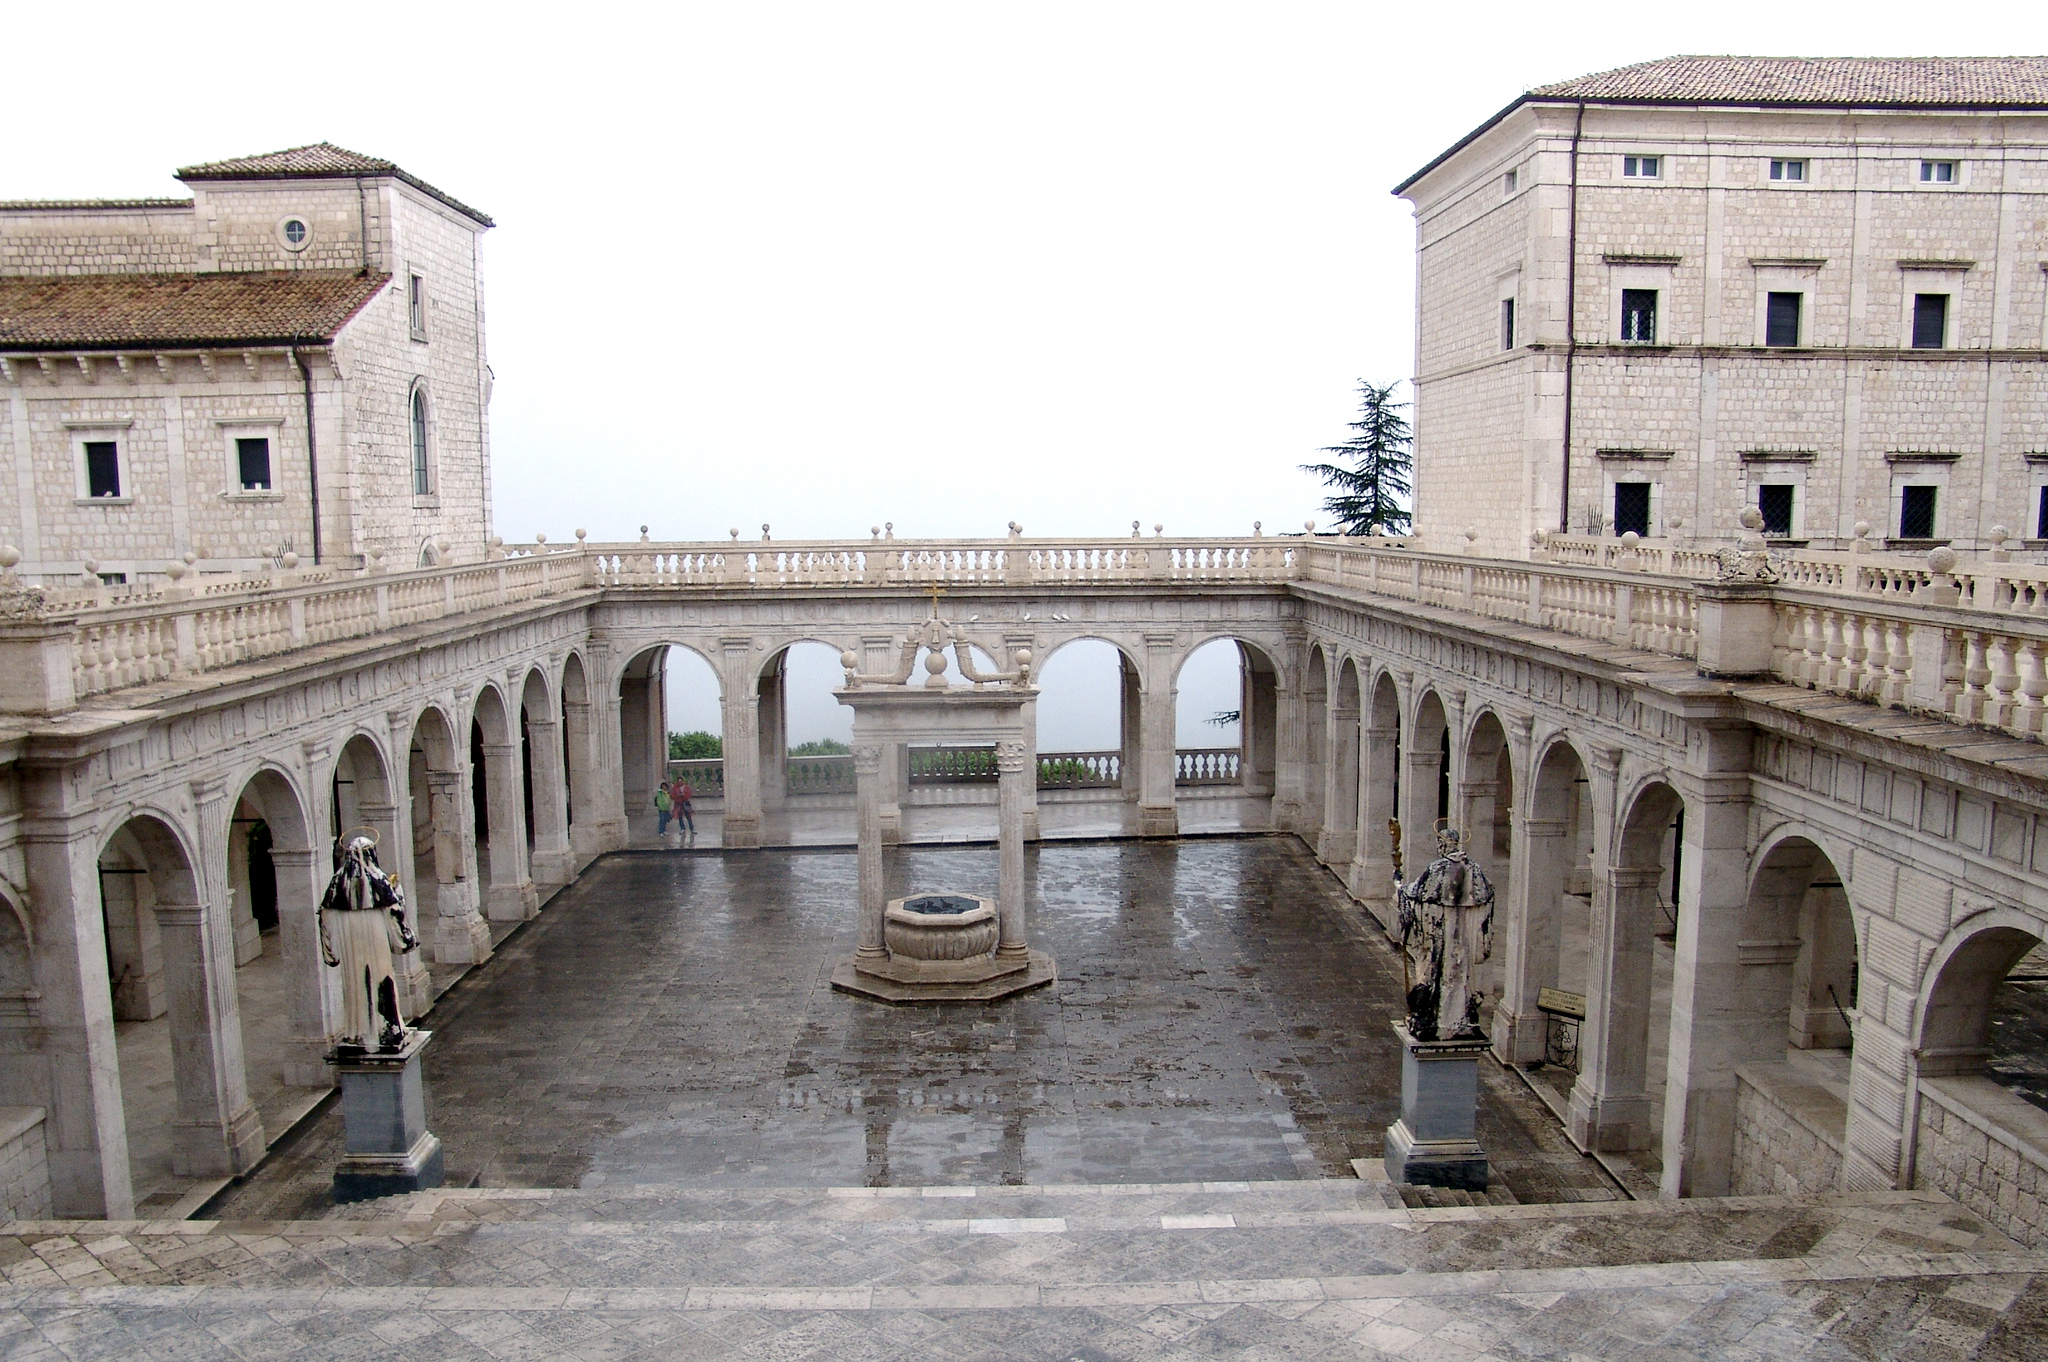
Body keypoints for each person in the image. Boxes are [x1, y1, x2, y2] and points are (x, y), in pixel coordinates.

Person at [1394, 822, 1495, 1042]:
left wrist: (1400, 888)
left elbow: (1415, 895)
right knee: (1461, 976)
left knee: (1435, 975)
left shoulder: (1436, 869)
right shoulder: (1474, 870)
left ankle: (1434, 1019)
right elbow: (1487, 897)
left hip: (1440, 936)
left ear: (1442, 844)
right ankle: (1461, 1018)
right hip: (1464, 937)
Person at [318, 833, 419, 1053]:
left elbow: (325, 920)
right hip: (376, 945)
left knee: (355, 986)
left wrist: (331, 953)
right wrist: (398, 892)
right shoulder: (379, 881)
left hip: (350, 947)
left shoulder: (337, 883)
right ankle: (389, 1028)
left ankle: (357, 1032)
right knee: (381, 981)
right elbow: (395, 916)